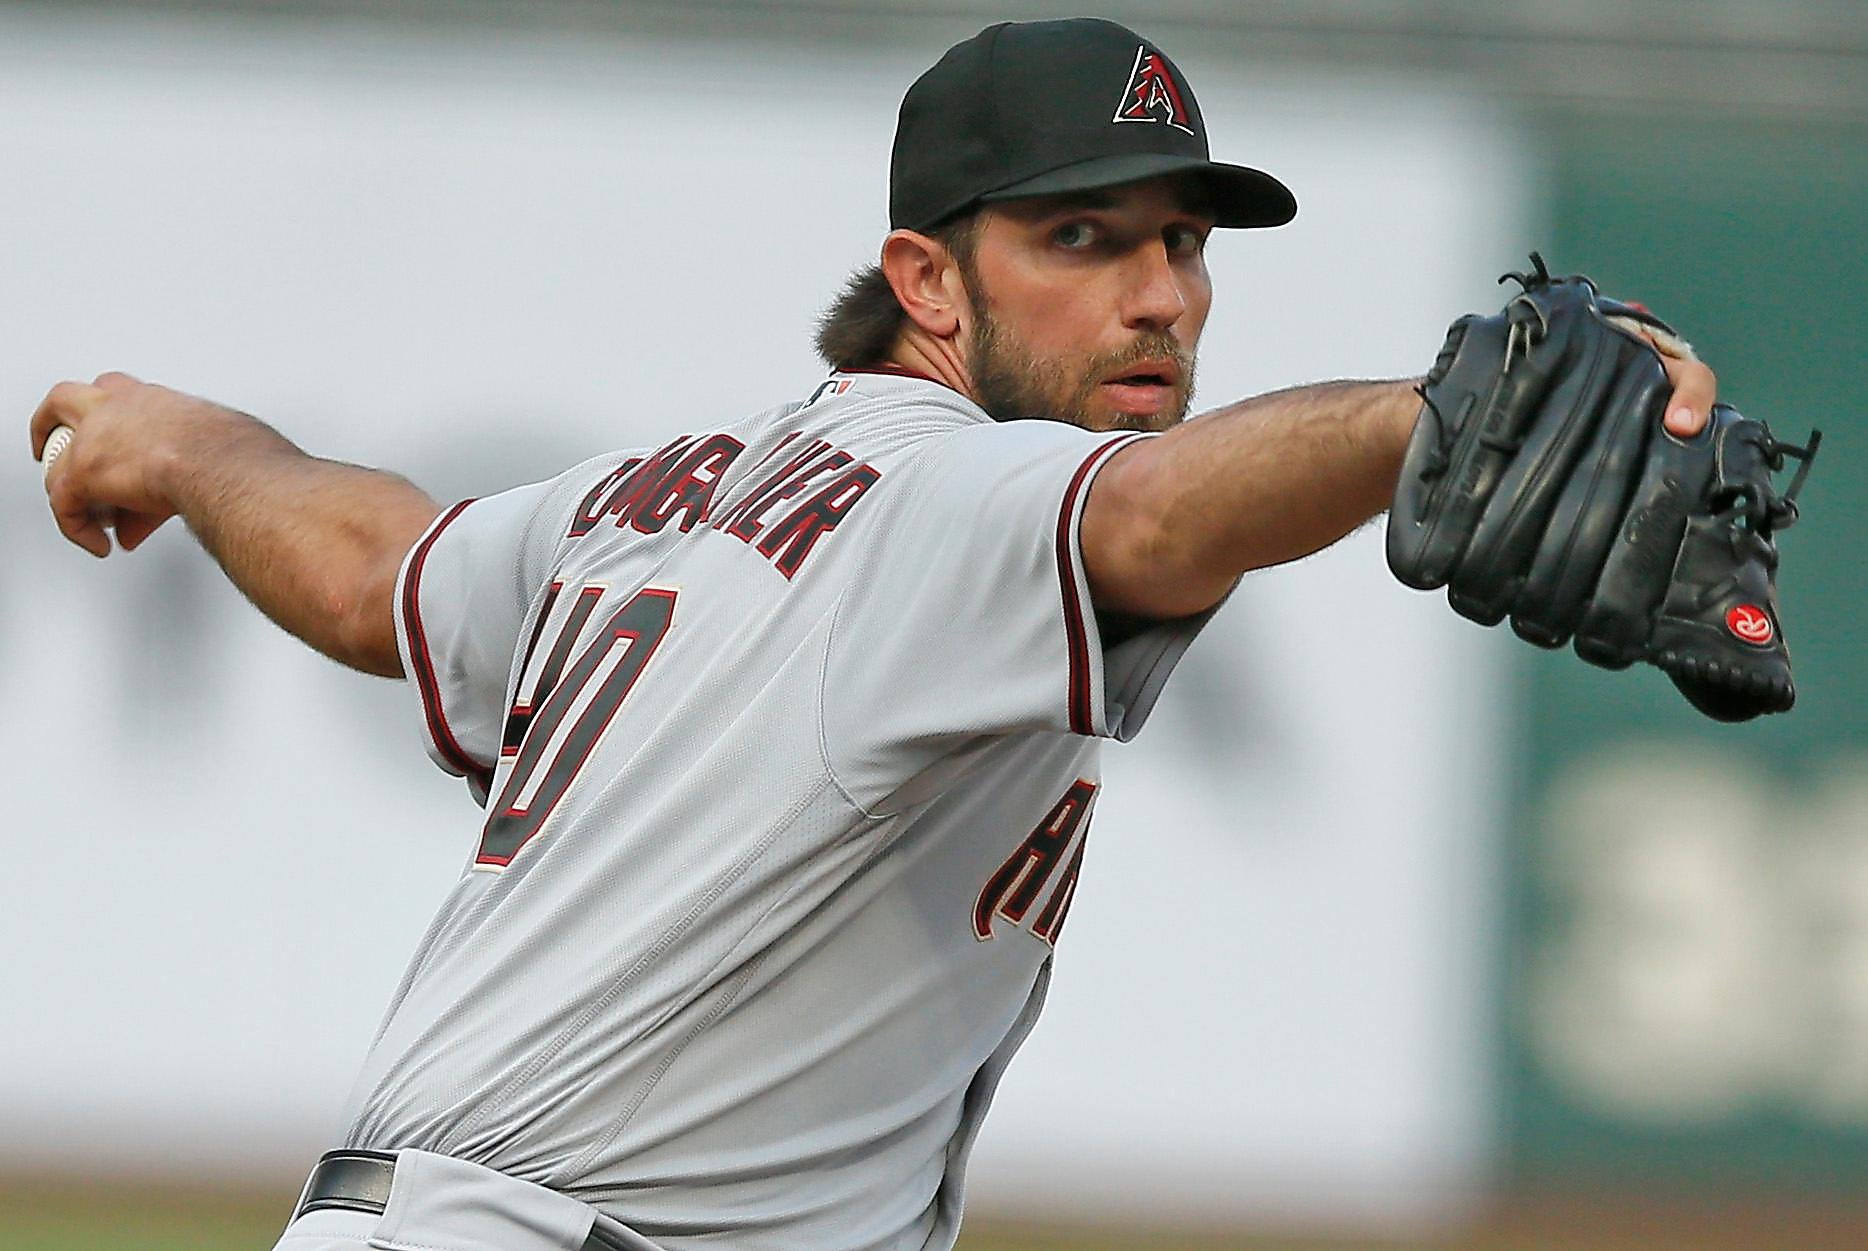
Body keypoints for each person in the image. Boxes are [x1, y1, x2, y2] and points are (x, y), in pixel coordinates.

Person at [29, 17, 1717, 1251]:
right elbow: (1146, 513)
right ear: (926, 279)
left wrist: (200, 449)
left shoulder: (661, 494)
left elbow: (373, 570)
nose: (1162, 296)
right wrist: (1423, 415)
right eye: (1084, 238)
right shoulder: (952, 502)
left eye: (1183, 244)